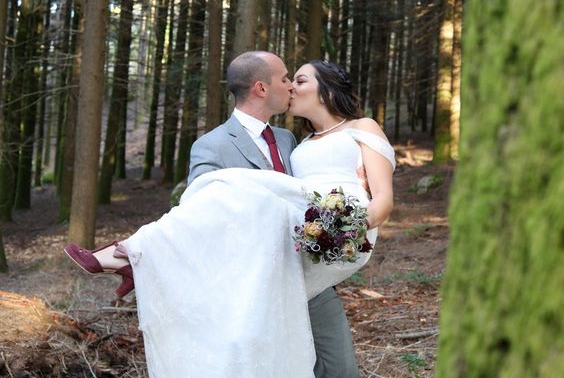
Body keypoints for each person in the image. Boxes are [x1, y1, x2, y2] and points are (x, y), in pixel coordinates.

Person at [65, 55, 395, 378]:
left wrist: (354, 204)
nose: (290, 87)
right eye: (285, 79)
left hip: (309, 261)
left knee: (340, 369)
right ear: (261, 88)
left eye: (298, 79)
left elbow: (309, 194)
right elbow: (197, 213)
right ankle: (137, 252)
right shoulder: (212, 145)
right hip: (252, 281)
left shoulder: (288, 140)